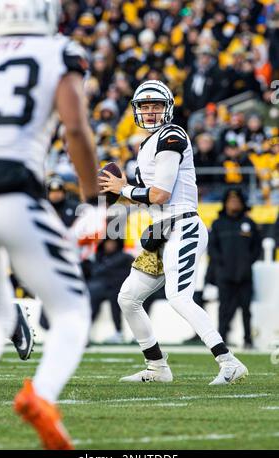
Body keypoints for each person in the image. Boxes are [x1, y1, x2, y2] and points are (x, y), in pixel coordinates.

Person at [0, 0, 99, 450]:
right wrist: (92, 200)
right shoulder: (58, 51)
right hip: (15, 192)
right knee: (71, 312)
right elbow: (75, 127)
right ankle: (42, 397)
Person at [99, 79, 248, 385]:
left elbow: (161, 194)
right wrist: (113, 193)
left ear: (167, 108)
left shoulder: (172, 135)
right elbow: (148, 198)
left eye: (156, 106)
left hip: (183, 225)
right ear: (136, 111)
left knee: (178, 296)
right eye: (145, 106)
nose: (151, 112)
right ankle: (157, 367)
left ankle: (229, 361)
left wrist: (123, 187)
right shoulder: (145, 145)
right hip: (163, 231)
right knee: (128, 298)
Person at [209, 189, 261, 348]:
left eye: (237, 201)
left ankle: (248, 340)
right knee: (224, 308)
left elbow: (256, 248)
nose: (234, 203)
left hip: (245, 274)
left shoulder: (249, 223)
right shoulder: (218, 224)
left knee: (246, 309)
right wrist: (221, 265)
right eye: (231, 201)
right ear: (225, 203)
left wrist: (247, 262)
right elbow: (212, 248)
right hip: (224, 274)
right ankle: (221, 340)